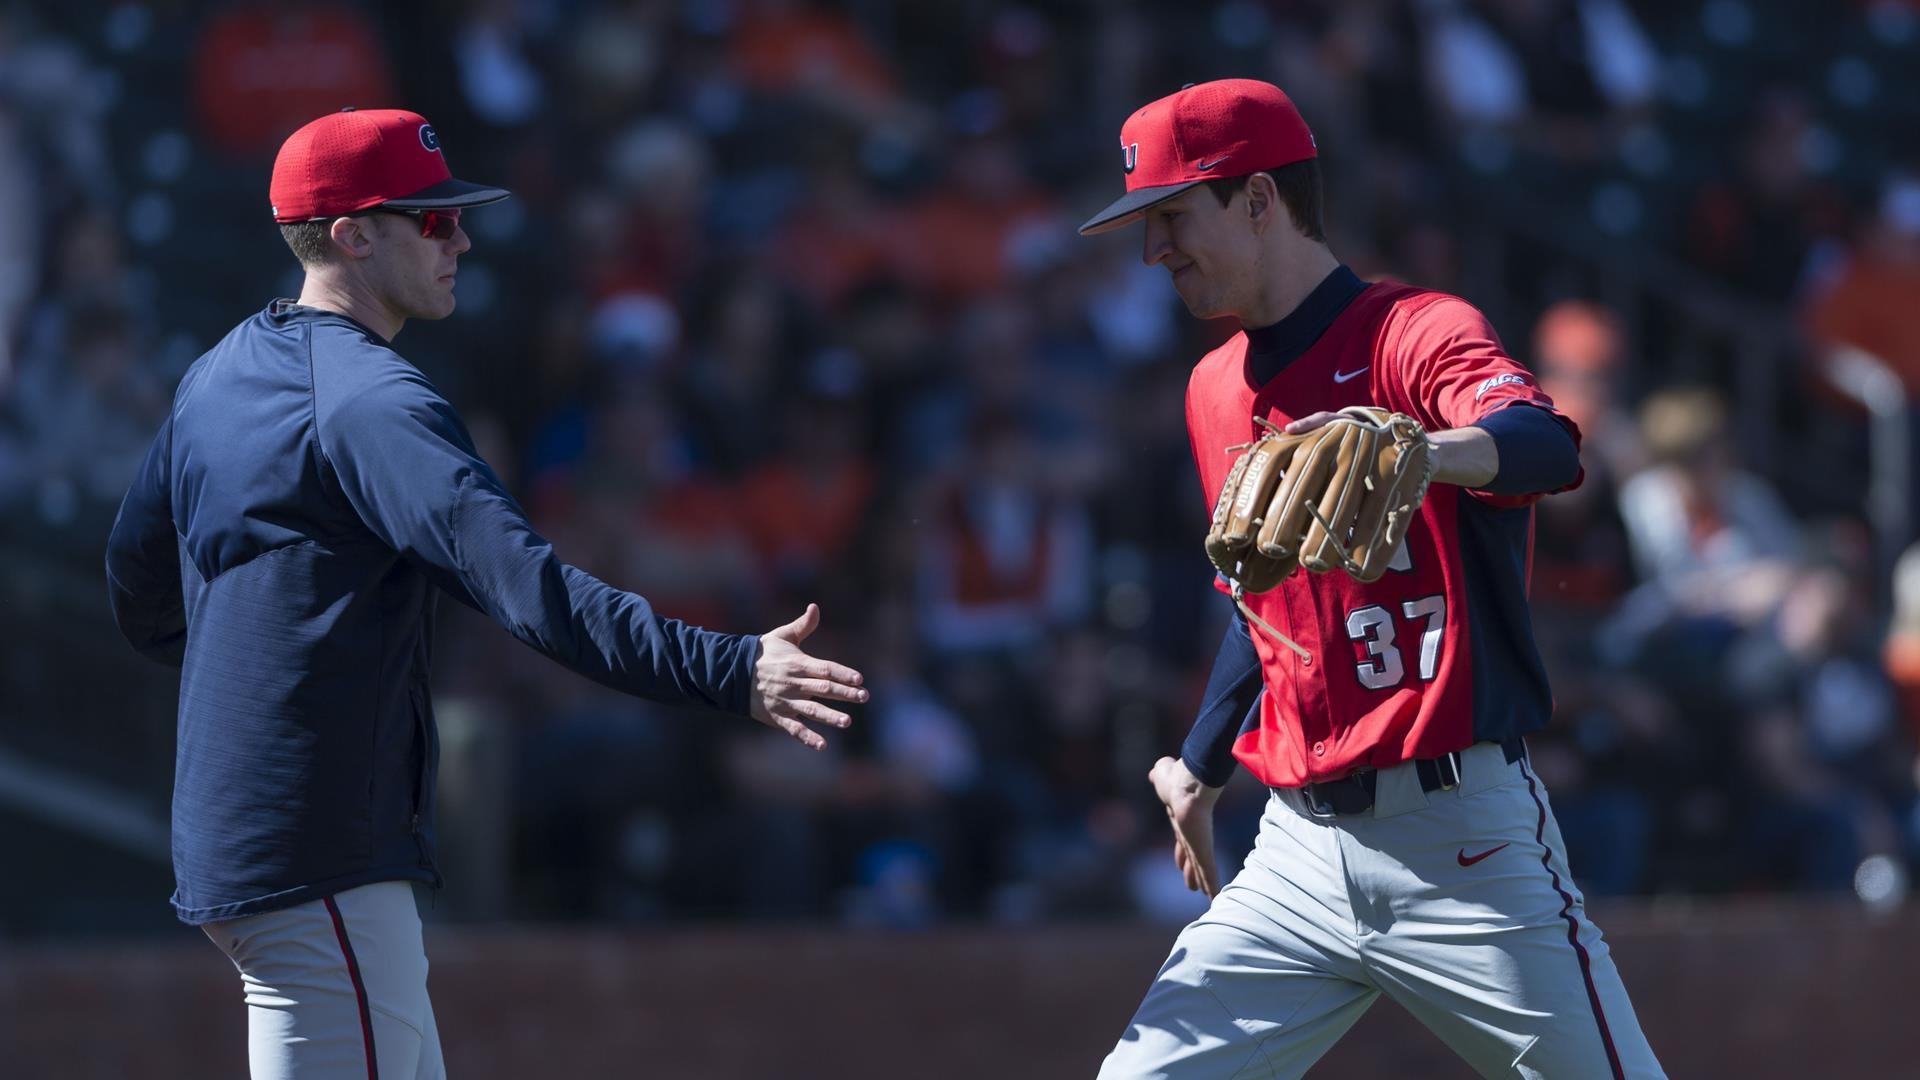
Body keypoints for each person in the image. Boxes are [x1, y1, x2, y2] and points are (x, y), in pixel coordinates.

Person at [103, 108, 868, 1080]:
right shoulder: (371, 402)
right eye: (432, 220)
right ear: (352, 235)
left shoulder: (216, 378)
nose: (460, 236)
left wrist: (255, 670)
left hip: (257, 840)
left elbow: (137, 590)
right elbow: (531, 592)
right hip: (322, 851)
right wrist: (731, 666)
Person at [1078, 79, 1664, 1078]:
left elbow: (1547, 445)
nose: (1154, 251)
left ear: (1260, 200)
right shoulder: (1213, 387)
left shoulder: (1413, 332)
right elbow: (1258, 602)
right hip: (1294, 855)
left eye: (1172, 217)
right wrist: (1201, 766)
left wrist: (1428, 453)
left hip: (1463, 844)